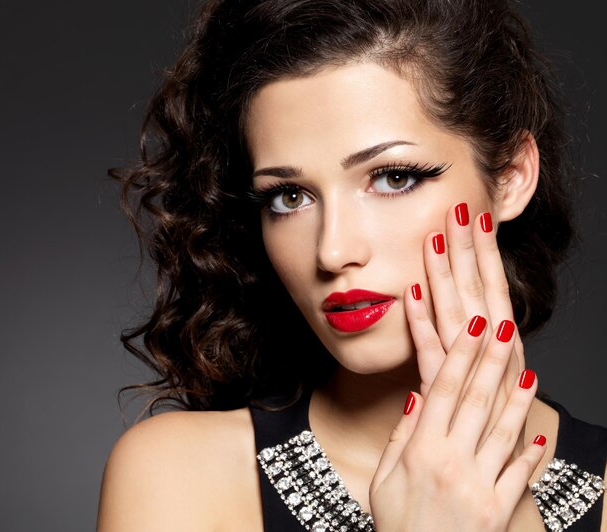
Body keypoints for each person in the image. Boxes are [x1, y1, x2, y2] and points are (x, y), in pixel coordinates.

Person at [96, 0, 607, 530]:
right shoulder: (177, 478)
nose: (332, 252)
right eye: (289, 197)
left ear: (510, 176)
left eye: (393, 178)